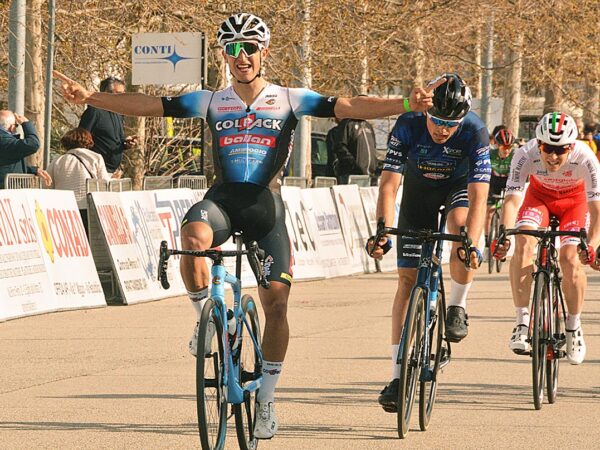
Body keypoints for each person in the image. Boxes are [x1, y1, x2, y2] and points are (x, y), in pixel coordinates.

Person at [54, 12, 443, 440]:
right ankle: (205, 320)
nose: (242, 56)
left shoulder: (289, 98)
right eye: (233, 48)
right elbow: (149, 105)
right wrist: (92, 98)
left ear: (264, 52)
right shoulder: (210, 100)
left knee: (276, 305)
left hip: (265, 210)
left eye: (250, 48)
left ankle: (268, 400)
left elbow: (349, 107)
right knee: (192, 237)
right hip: (222, 202)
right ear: (224, 55)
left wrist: (406, 105)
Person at [366, 73, 490, 413]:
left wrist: (471, 244)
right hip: (418, 192)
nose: (442, 130)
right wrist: (382, 230)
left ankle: (457, 305)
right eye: (436, 121)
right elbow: (389, 185)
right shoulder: (408, 124)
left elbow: (479, 197)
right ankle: (396, 376)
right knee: (406, 283)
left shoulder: (475, 131)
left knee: (460, 228)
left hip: (458, 188)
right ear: (426, 112)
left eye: (451, 124)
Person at [493, 112, 600, 365]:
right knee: (523, 243)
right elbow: (512, 200)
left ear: (571, 146)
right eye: (547, 148)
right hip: (539, 199)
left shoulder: (585, 157)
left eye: (560, 150)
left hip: (574, 203)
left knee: (569, 259)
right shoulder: (524, 154)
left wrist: (593, 246)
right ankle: (522, 322)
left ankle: (573, 327)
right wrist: (504, 234)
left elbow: (596, 210)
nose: (552, 156)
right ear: (538, 144)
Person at [47, 127, 111, 234]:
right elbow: (104, 183)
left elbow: (47, 184)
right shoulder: (95, 157)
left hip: (63, 208)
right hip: (87, 207)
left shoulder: (58, 160)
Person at [78, 76, 137, 175]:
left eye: (123, 94)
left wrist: (125, 143)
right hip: (95, 171)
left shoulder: (118, 113)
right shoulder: (94, 111)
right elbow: (79, 141)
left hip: (113, 172)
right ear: (106, 93)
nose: (122, 98)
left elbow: (113, 140)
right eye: (119, 94)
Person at [0, 110, 51, 189]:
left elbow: (8, 166)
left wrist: (34, 170)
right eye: (16, 125)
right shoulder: (4, 140)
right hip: (6, 192)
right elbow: (33, 144)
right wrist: (26, 123)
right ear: (11, 127)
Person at [485, 128, 516, 249]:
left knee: (508, 208)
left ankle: (504, 235)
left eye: (510, 147)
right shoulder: (490, 154)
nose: (507, 151)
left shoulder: (515, 155)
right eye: (504, 147)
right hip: (494, 181)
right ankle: (487, 238)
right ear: (497, 145)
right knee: (489, 210)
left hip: (509, 181)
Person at [330, 117, 378, 184]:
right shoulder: (347, 124)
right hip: (352, 175)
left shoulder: (368, 126)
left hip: (370, 175)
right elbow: (340, 146)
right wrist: (353, 164)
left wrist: (375, 164)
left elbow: (373, 148)